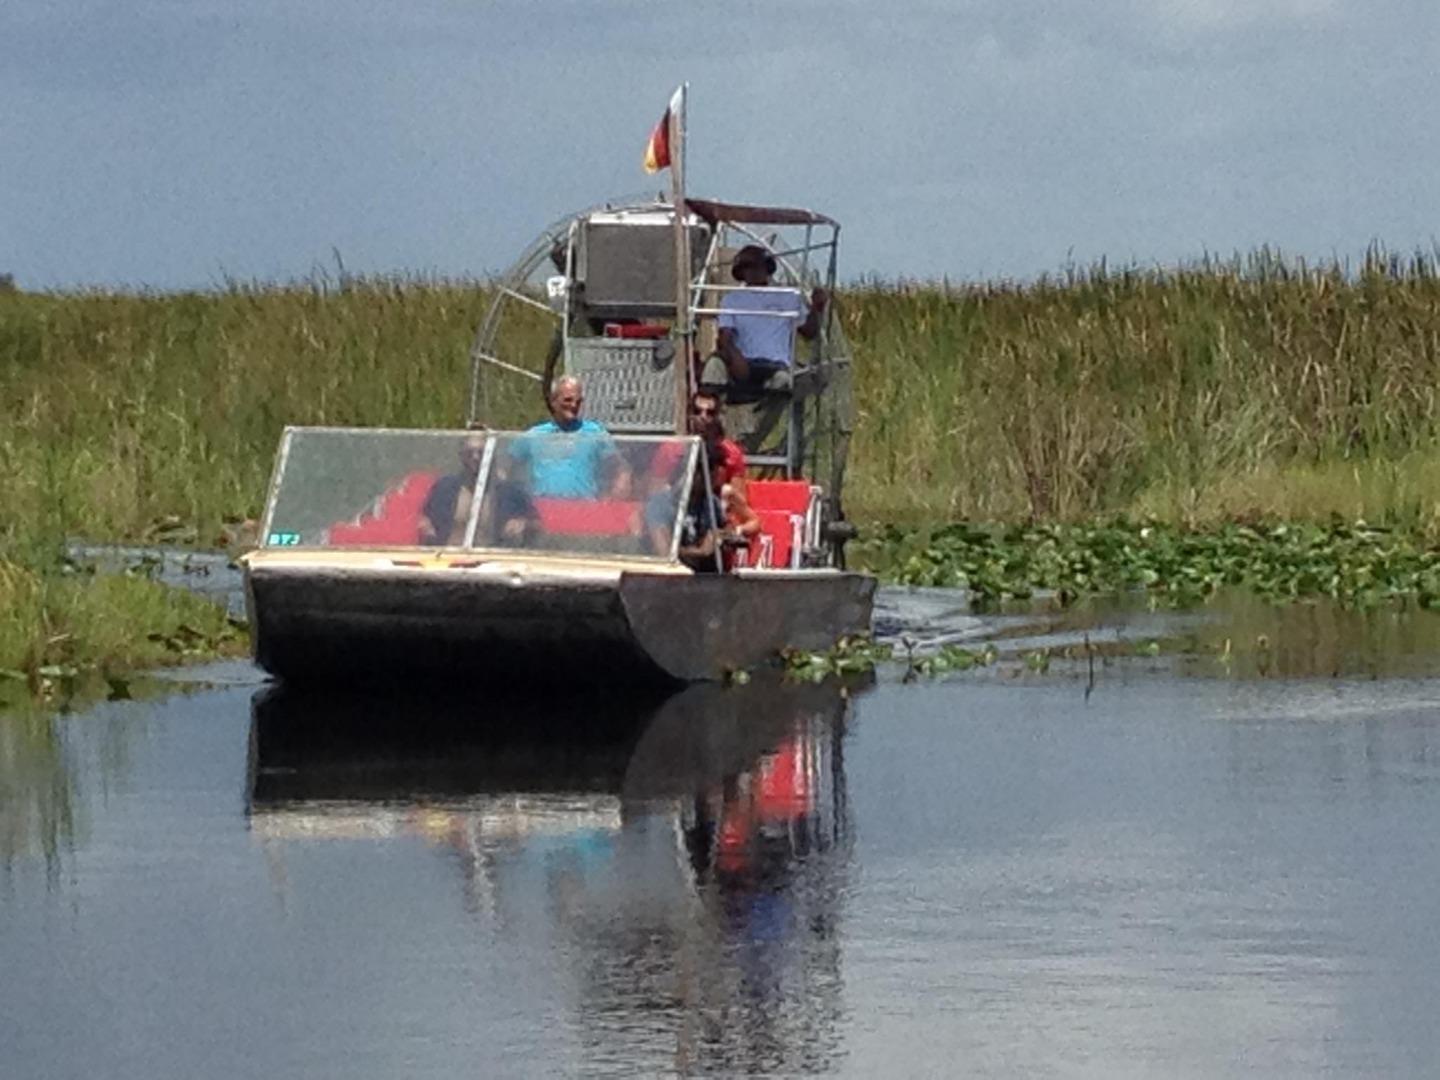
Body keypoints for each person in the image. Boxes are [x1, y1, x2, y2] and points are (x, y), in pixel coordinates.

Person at [702, 245, 828, 399]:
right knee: (714, 365)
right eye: (747, 267)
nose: (753, 271)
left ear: (767, 267)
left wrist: (817, 308)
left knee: (782, 381)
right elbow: (725, 337)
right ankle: (707, 413)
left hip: (775, 366)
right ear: (740, 272)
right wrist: (736, 358)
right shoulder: (732, 299)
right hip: (742, 365)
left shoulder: (787, 297)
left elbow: (809, 332)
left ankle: (768, 419)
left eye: (758, 265)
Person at [509, 375, 629, 499]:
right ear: (553, 401)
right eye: (568, 400)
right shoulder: (534, 435)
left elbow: (620, 468)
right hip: (543, 510)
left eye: (578, 401)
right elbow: (509, 469)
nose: (573, 405)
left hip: (583, 510)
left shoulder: (595, 432)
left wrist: (612, 496)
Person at [418, 433, 486, 546]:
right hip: (450, 556)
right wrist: (427, 529)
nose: (475, 457)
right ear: (461, 455)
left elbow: (522, 523)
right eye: (470, 453)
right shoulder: (444, 488)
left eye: (481, 453)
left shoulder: (506, 493)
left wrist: (520, 525)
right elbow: (426, 520)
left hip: (493, 558)